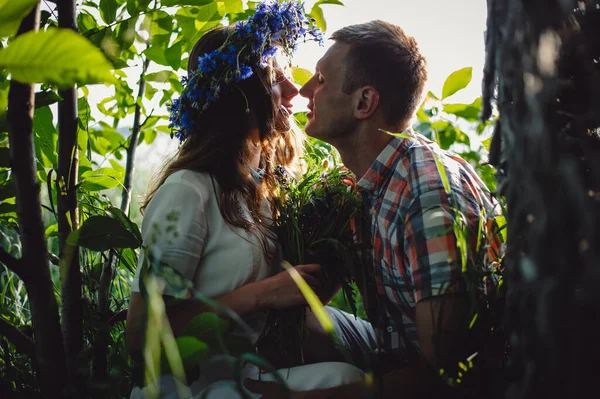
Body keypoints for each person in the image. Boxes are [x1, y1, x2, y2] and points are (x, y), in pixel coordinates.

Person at [246, 20, 504, 398]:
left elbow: (448, 376)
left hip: (447, 378)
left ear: (364, 102)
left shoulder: (427, 197)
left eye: (320, 79)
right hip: (392, 348)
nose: (303, 91)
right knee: (281, 325)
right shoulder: (365, 180)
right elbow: (312, 291)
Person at [125, 3, 366, 398]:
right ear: (239, 98)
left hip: (244, 375)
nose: (294, 90)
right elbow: (140, 337)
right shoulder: (189, 191)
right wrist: (265, 293)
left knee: (350, 377)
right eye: (276, 80)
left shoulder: (263, 190)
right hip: (189, 389)